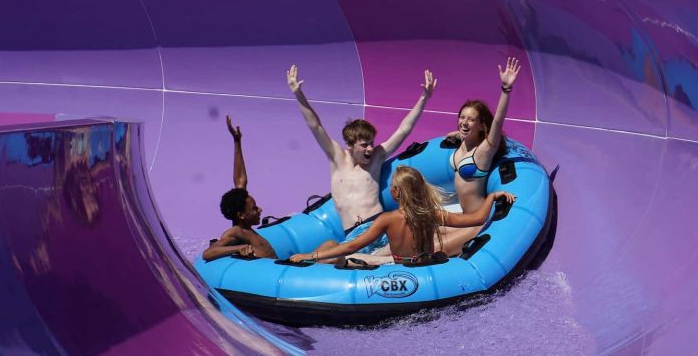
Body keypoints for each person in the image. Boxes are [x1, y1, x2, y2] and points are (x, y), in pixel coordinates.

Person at [288, 64, 436, 261]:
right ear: (349, 145)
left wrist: (424, 98)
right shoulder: (336, 158)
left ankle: (381, 260)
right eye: (364, 145)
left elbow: (403, 130)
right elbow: (315, 125)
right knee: (328, 251)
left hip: (379, 229)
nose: (369, 149)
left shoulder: (376, 158)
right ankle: (377, 261)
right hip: (354, 236)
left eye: (371, 143)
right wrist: (298, 93)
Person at [289, 166, 514, 265]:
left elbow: (351, 247)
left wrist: (309, 257)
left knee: (332, 249)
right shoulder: (431, 214)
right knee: (332, 247)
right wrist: (492, 196)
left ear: (396, 193)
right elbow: (476, 219)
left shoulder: (386, 219)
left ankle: (309, 262)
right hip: (422, 264)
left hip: (396, 266)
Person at [441, 57, 521, 250]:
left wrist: (506, 90)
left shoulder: (483, 151)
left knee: (433, 246)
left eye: (471, 120)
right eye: (462, 117)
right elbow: (458, 133)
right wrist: (457, 134)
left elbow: (498, 122)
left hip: (478, 222)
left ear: (481, 125)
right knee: (417, 230)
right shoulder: (462, 142)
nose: (464, 122)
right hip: (463, 217)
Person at [202, 115, 278, 261]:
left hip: (278, 268)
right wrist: (238, 248)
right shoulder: (236, 233)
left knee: (327, 245)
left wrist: (237, 141)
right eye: (254, 208)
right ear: (241, 215)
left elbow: (240, 180)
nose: (260, 209)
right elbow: (208, 253)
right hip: (271, 278)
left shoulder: (245, 227)